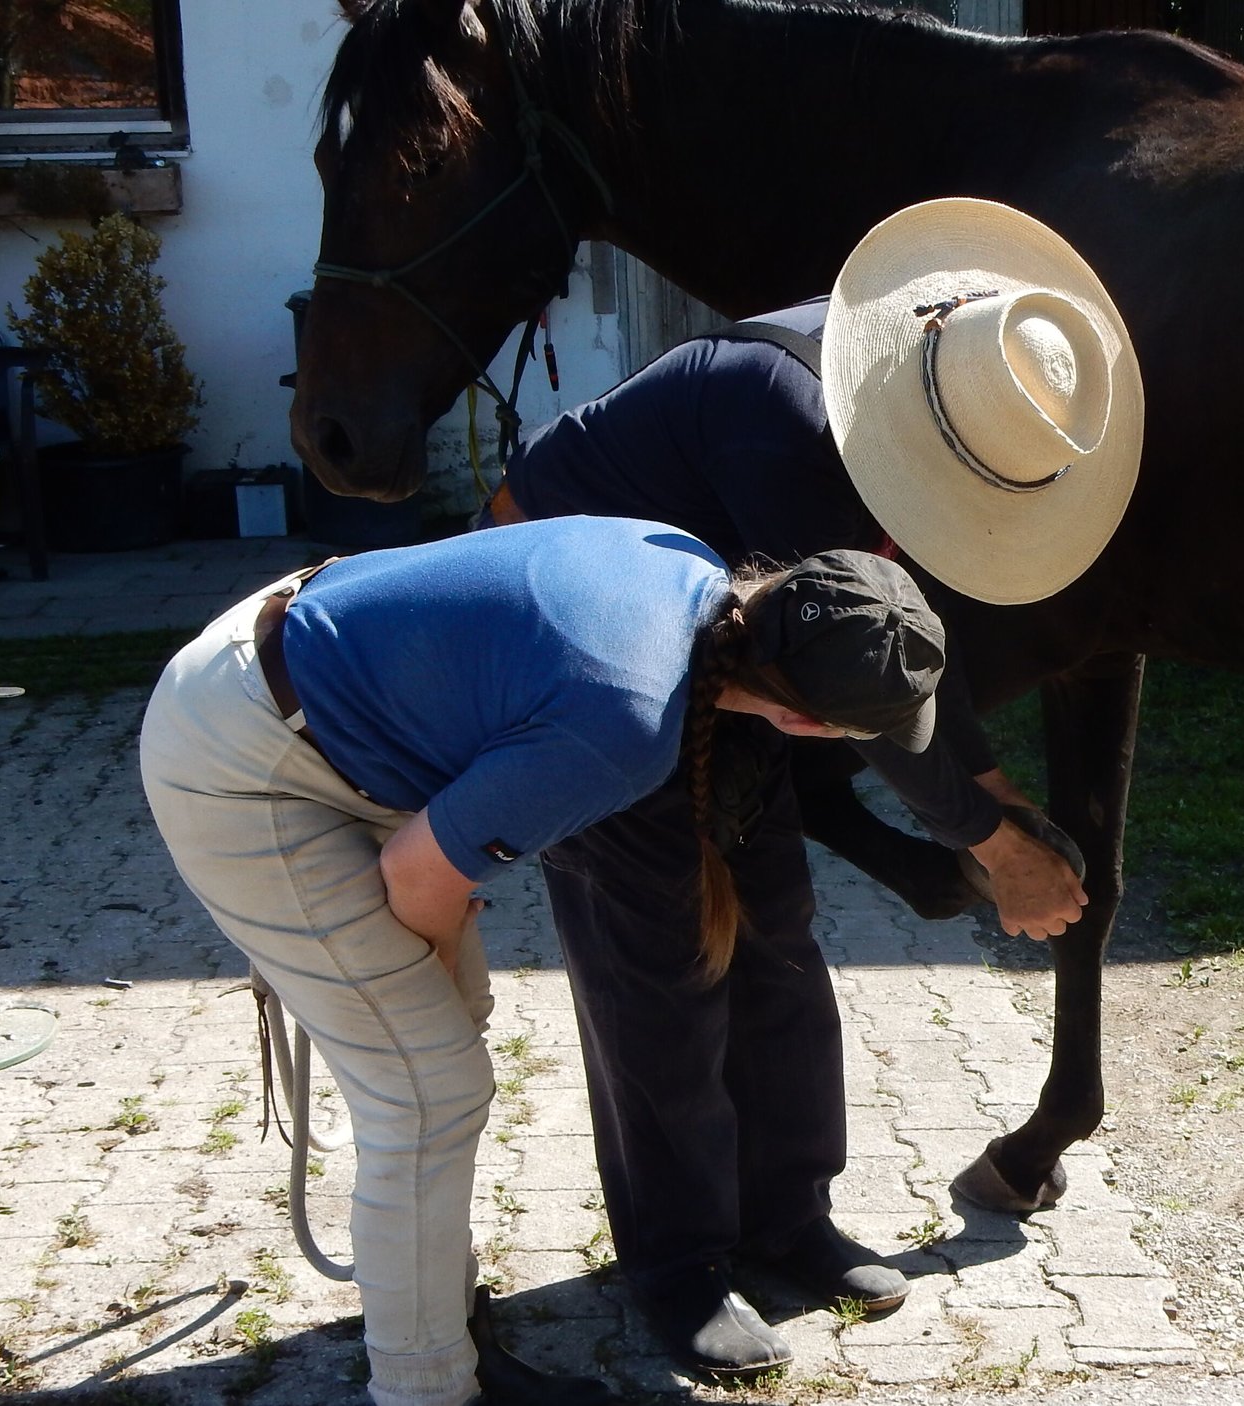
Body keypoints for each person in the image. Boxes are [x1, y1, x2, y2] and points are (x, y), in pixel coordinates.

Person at [485, 198, 1144, 1376]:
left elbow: (898, 655)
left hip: (728, 645)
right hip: (584, 656)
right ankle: (678, 1260)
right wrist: (1000, 847)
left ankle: (784, 1214)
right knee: (664, 958)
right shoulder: (794, 428)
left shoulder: (938, 368)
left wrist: (992, 795)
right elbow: (868, 690)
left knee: (777, 937)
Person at [140, 517, 948, 1406]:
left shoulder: (689, 569)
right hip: (244, 759)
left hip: (312, 692)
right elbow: (416, 877)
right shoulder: (627, 723)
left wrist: (445, 978)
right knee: (427, 1091)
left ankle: (449, 1326)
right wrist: (438, 982)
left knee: (444, 1050)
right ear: (804, 722)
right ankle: (431, 1389)